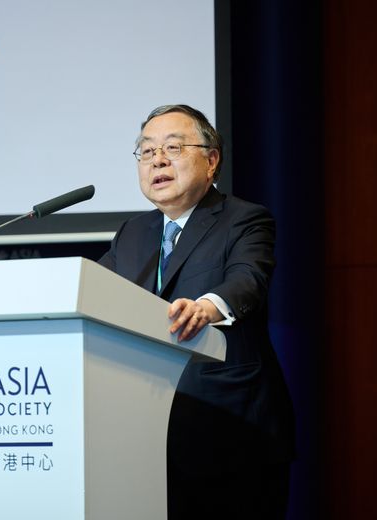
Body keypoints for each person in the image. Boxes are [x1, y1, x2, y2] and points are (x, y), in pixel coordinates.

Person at [98, 105, 295, 518]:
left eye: (173, 147)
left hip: (230, 435)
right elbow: (95, 290)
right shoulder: (133, 232)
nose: (157, 160)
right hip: (145, 438)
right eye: (147, 151)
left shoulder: (244, 219)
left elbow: (248, 279)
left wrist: (207, 307)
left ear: (211, 160)